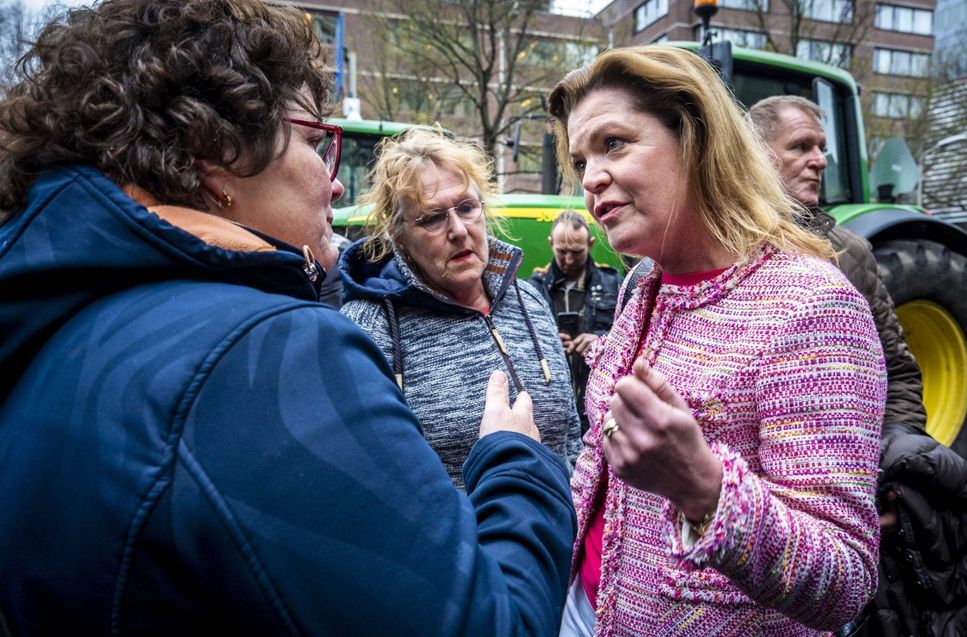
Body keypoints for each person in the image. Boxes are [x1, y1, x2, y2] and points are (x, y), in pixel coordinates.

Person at [0, 2, 575, 634]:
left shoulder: (59, 328)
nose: (333, 185)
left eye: (467, 207)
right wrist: (516, 461)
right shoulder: (271, 352)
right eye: (314, 141)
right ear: (216, 150)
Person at [547, 45, 887, 636]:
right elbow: (601, 465)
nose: (591, 177)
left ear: (696, 137)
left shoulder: (812, 305)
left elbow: (845, 581)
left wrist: (703, 488)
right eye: (580, 162)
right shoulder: (640, 286)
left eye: (614, 143)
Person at [751, 94, 967, 637]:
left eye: (822, 148)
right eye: (801, 147)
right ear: (755, 156)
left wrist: (892, 468)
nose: (820, 160)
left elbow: (896, 369)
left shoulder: (849, 252)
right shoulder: (721, 246)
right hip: (754, 497)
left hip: (841, 500)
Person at [338, 128, 581, 489]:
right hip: (465, 543)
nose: (458, 231)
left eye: (467, 207)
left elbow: (571, 437)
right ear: (398, 234)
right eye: (432, 218)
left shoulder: (529, 300)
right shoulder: (367, 327)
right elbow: (365, 479)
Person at [528, 210, 622, 434]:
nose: (568, 260)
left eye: (576, 252)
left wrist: (602, 342)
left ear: (590, 244)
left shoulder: (615, 284)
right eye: (562, 252)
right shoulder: (532, 289)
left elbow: (631, 340)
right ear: (551, 244)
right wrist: (546, 344)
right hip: (551, 410)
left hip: (601, 406)